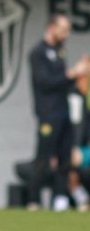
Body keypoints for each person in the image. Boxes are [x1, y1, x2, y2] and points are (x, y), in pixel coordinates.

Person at [26, 13, 88, 212]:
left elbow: (64, 83)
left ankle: (60, 198)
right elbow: (45, 83)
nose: (66, 34)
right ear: (51, 27)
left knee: (65, 158)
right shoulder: (38, 52)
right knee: (43, 158)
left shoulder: (60, 50)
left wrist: (78, 75)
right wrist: (73, 73)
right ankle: (33, 200)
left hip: (63, 113)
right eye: (63, 30)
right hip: (47, 114)